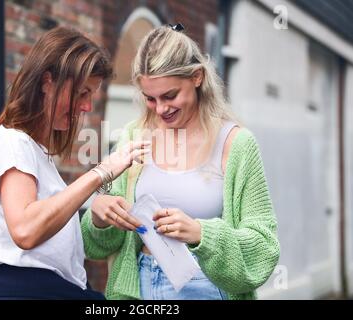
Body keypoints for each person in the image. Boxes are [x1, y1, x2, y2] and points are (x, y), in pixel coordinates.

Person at [81, 24, 280, 300]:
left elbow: (264, 249)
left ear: (197, 77)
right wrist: (100, 217)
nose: (161, 109)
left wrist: (201, 234)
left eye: (170, 95)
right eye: (150, 99)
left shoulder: (236, 144)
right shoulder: (134, 136)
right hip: (139, 286)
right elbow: (97, 247)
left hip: (208, 286)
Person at [0, 26, 149, 300]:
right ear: (47, 82)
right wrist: (100, 173)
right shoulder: (11, 141)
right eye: (82, 93)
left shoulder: (34, 150)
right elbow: (25, 230)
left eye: (91, 95)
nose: (87, 107)